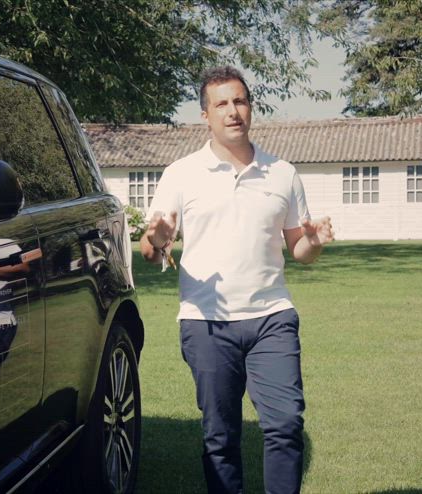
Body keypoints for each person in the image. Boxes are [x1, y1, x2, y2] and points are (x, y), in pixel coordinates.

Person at [141, 66, 334, 494]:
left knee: (286, 423)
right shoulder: (181, 174)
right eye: (222, 104)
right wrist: (156, 238)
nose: (233, 111)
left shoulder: (282, 173)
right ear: (205, 116)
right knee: (220, 436)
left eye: (240, 101)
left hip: (272, 318)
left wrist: (314, 242)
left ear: (251, 108)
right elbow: (152, 252)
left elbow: (299, 251)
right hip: (206, 322)